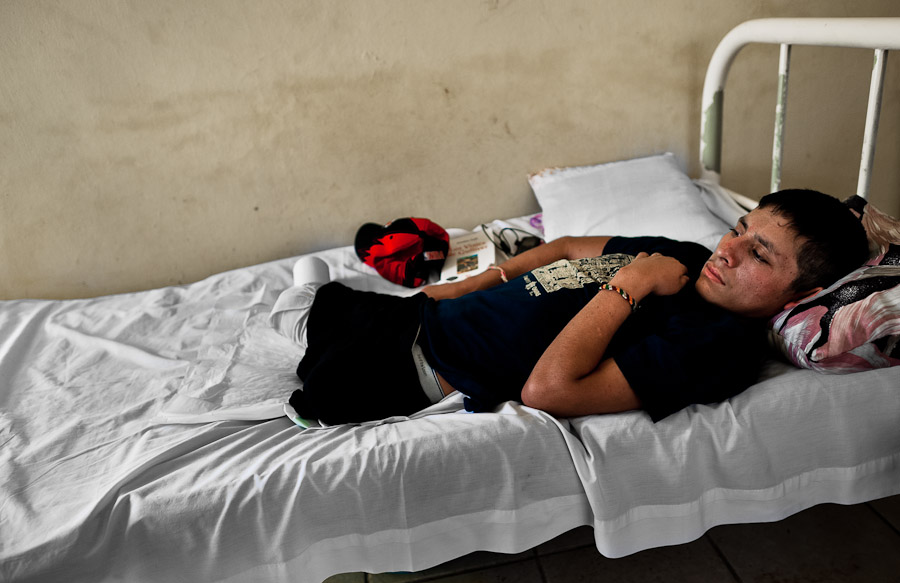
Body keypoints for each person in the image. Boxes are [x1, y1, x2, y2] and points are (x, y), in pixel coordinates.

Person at [270, 189, 869, 425]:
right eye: (738, 228)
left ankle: (302, 298)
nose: (727, 249)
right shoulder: (686, 253)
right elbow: (558, 249)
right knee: (325, 305)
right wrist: (462, 287)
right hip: (420, 316)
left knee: (295, 363)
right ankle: (314, 294)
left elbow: (548, 392)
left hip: (418, 367)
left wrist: (631, 285)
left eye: (759, 254)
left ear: (800, 295)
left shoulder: (717, 344)